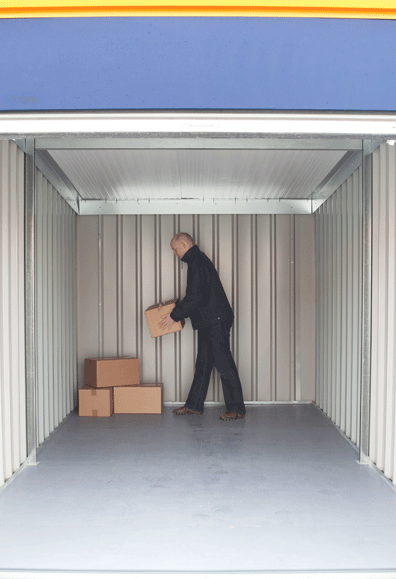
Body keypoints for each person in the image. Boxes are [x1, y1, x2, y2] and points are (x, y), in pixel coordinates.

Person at [159, 232, 246, 421]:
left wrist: (174, 316)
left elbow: (195, 297)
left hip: (216, 320)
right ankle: (194, 405)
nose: (175, 254)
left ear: (183, 245)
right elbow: (197, 296)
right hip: (209, 320)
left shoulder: (197, 262)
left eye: (175, 249)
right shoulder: (196, 261)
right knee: (204, 364)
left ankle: (237, 408)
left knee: (223, 363)